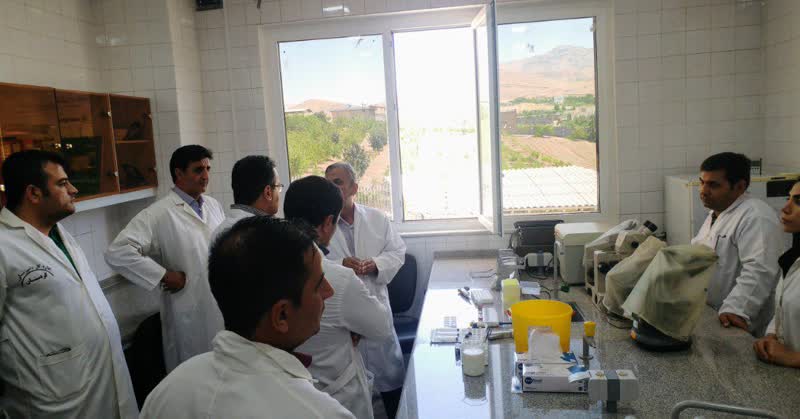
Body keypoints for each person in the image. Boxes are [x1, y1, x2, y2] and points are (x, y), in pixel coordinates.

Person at [140, 217, 354, 418]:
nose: (329, 292)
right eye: (318, 285)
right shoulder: (318, 413)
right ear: (281, 315)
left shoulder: (169, 390)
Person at [0, 150, 137, 418]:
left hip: (99, 381)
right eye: (62, 184)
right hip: (52, 398)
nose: (73, 190)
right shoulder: (4, 245)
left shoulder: (58, 233)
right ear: (33, 193)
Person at [105, 145, 225, 372]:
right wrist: (163, 275)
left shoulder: (213, 206)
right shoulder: (159, 213)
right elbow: (118, 251)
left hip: (220, 308)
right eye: (198, 170)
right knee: (192, 378)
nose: (206, 176)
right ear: (179, 173)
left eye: (208, 169)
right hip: (188, 313)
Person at [284, 176, 393, 419]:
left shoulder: (266, 267)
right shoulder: (337, 279)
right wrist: (354, 326)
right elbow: (382, 326)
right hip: (338, 396)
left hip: (289, 396)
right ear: (327, 223)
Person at [325, 162, 407, 418]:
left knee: (391, 389)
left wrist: (376, 264)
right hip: (345, 322)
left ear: (354, 188)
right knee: (355, 397)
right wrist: (341, 264)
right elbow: (315, 263)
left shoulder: (377, 219)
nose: (332, 188)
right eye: (328, 183)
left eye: (338, 182)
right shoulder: (323, 224)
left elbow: (398, 251)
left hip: (377, 306)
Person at [691, 152, 782, 336]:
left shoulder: (756, 216)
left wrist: (736, 310)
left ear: (740, 186)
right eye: (702, 182)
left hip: (742, 322)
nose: (703, 191)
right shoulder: (716, 213)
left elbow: (759, 270)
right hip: (713, 313)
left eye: (713, 185)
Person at [754, 180, 800, 368]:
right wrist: (771, 335)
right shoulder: (792, 257)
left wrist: (793, 357)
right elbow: (784, 307)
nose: (785, 208)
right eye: (789, 198)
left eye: (798, 202)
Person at [210, 155, 281, 243]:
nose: (279, 192)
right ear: (268, 192)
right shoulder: (266, 233)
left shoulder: (220, 231)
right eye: (278, 186)